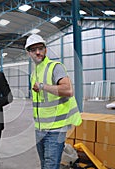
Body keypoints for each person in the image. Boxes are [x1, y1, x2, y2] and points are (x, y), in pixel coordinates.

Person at [25, 34, 82, 169]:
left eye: (40, 48)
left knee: (50, 166)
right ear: (28, 53)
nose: (37, 52)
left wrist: (43, 86)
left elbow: (68, 90)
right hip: (40, 128)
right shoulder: (34, 73)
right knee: (44, 164)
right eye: (33, 50)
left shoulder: (55, 67)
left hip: (55, 129)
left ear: (45, 50)